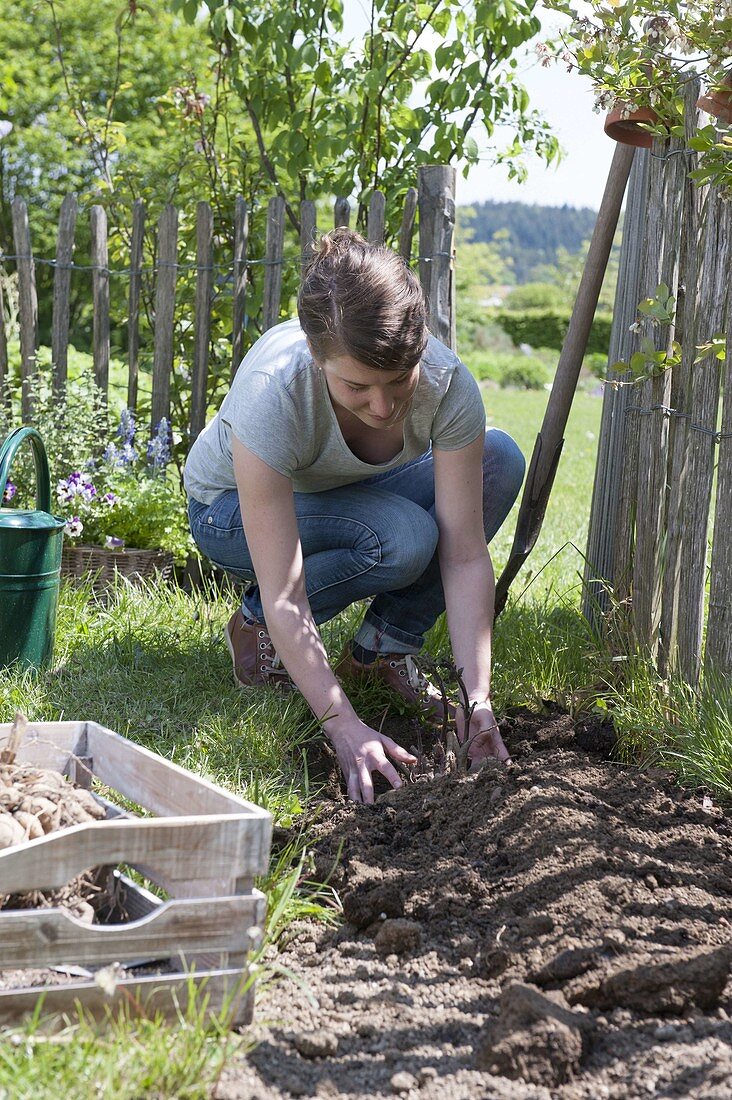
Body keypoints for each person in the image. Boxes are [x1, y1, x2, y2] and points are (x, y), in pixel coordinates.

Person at [184, 228, 525, 803]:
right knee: (400, 539)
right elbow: (287, 592)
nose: (384, 407)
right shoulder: (277, 390)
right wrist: (340, 722)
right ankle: (253, 625)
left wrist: (478, 700)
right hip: (226, 512)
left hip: (348, 495)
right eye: (358, 386)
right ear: (318, 358)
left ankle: (381, 650)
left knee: (498, 458)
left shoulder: (448, 387)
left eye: (399, 382)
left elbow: (466, 555)